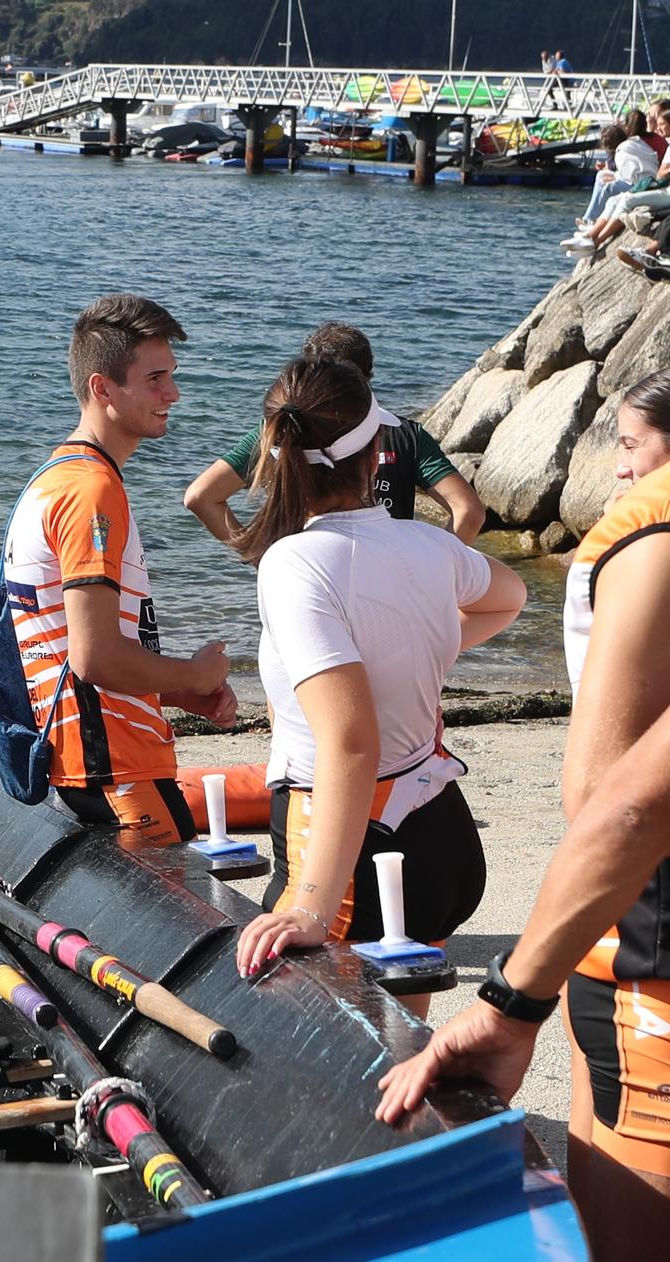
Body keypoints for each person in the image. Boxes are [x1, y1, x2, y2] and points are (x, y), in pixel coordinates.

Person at [380, 369, 670, 1256]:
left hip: (646, 953)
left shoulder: (650, 532)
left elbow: (613, 800)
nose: (621, 473)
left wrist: (512, 999)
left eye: (629, 446)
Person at [225, 357, 525, 1010]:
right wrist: (434, 641)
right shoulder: (430, 545)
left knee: (312, 1065)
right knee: (398, 1044)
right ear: (379, 456)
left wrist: (309, 905)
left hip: (347, 856)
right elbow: (510, 597)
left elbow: (350, 743)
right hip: (441, 838)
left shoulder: (294, 563)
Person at [0, 295, 235, 846]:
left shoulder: (55, 475)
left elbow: (60, 644)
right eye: (154, 379)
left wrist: (174, 692)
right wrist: (193, 674)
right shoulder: (91, 490)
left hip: (82, 756)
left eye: (171, 376)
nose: (172, 394)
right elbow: (94, 656)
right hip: (112, 766)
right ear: (103, 389)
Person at [185, 322, 483, 545]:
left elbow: (201, 496)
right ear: (366, 378)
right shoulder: (404, 434)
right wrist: (432, 569)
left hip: (305, 583)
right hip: (388, 586)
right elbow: (468, 512)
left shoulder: (281, 430)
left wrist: (260, 558)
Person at [564, 123, 658, 254]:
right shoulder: (633, 143)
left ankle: (591, 222)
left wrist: (616, 178)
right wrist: (614, 175)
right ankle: (588, 219)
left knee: (609, 187)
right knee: (602, 175)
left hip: (642, 184)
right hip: (647, 179)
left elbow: (631, 176)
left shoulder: (621, 151)